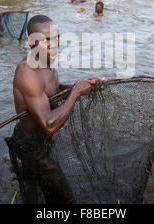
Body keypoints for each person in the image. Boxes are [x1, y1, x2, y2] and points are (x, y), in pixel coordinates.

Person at [8, 15, 99, 204]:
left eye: (56, 37)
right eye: (45, 39)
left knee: (37, 193)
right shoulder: (27, 73)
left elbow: (53, 91)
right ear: (31, 42)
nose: (53, 44)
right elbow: (49, 124)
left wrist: (79, 86)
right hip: (31, 146)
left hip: (42, 141)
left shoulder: (46, 63)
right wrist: (75, 93)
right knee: (64, 200)